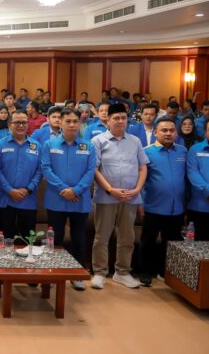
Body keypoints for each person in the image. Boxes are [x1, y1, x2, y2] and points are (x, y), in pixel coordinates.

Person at [90, 102, 148, 290]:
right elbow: (95, 170)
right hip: (107, 196)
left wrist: (137, 189)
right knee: (102, 236)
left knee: (127, 237)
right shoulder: (98, 141)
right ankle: (100, 272)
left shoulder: (135, 141)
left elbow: (143, 167)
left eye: (123, 118)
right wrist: (110, 189)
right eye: (116, 118)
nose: (120, 121)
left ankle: (122, 272)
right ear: (108, 120)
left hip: (130, 197)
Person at [41, 108, 97, 291]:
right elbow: (46, 169)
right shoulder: (49, 145)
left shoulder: (88, 146)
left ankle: (76, 274)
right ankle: (53, 272)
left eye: (75, 121)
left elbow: (90, 172)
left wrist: (76, 190)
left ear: (80, 124)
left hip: (80, 199)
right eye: (68, 121)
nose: (72, 124)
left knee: (78, 238)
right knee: (55, 238)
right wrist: (64, 189)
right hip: (56, 199)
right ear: (60, 123)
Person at [138, 118, 187, 287]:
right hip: (153, 206)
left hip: (176, 207)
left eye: (171, 130)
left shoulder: (183, 152)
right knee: (148, 241)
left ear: (176, 133)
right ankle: (145, 272)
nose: (168, 133)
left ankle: (165, 272)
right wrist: (140, 203)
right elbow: (140, 180)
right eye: (164, 130)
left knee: (172, 243)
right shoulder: (146, 152)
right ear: (155, 132)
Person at [0, 110, 42, 239]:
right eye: (17, 122)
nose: (21, 125)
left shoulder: (37, 146)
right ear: (9, 124)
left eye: (24, 122)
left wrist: (28, 189)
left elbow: (40, 171)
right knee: (5, 241)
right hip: (5, 200)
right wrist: (10, 190)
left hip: (28, 200)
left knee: (27, 242)